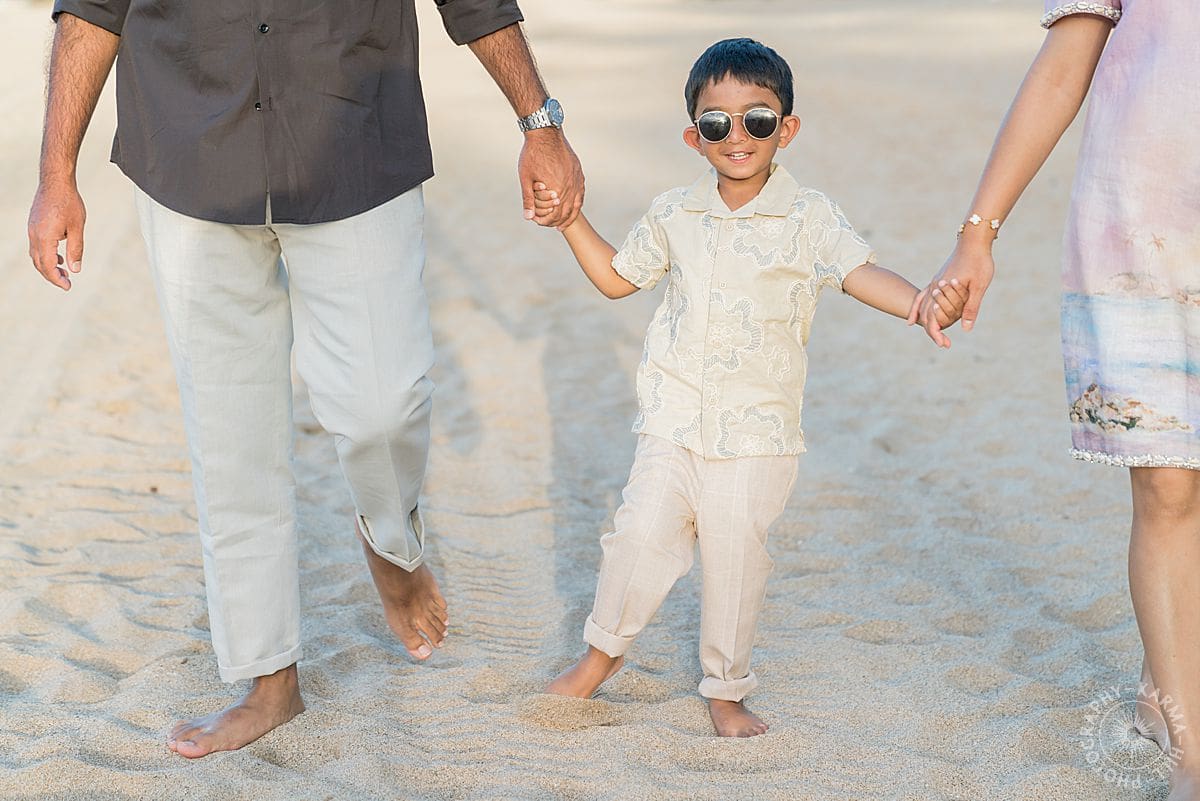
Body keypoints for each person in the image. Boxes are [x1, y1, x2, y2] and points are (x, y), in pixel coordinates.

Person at [26, 0, 583, 759]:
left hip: (354, 143)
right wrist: (56, 173)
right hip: (189, 154)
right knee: (230, 441)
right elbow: (91, 8)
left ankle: (391, 541)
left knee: (386, 402)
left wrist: (538, 121)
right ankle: (268, 679)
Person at [538, 38, 964, 737]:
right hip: (673, 421)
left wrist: (920, 302)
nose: (738, 136)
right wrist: (569, 220)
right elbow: (619, 277)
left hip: (759, 435)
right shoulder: (676, 212)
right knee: (637, 536)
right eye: (717, 124)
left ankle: (726, 689)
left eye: (758, 120)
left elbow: (860, 273)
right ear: (694, 137)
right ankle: (599, 656)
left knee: (735, 561)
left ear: (786, 129)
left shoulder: (811, 217)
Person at [908, 2, 1198, 797]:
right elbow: (1067, 62)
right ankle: (1192, 753)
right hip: (1142, 229)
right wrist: (979, 231)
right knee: (1168, 481)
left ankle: (1161, 680)